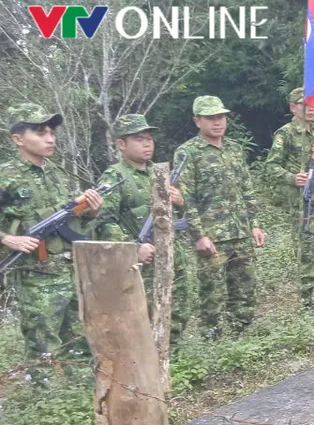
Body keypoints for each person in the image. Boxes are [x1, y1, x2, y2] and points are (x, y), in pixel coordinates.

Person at [0, 103, 104, 382]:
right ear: (18, 138)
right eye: (39, 132)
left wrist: (91, 210)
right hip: (36, 275)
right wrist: (7, 238)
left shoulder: (59, 173)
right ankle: (42, 399)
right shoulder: (6, 176)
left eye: (51, 132)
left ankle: (82, 394)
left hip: (70, 269)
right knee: (41, 344)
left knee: (79, 338)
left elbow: (75, 223)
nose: (50, 138)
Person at [175, 96, 266, 340]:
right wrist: (199, 235)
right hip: (212, 238)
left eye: (221, 117)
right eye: (211, 118)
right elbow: (186, 199)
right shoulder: (187, 153)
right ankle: (212, 344)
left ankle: (241, 338)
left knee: (245, 291)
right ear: (197, 121)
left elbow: (247, 188)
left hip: (240, 232)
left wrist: (255, 224)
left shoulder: (234, 149)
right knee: (212, 296)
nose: (218, 122)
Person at [95, 114, 192, 343]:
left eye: (149, 138)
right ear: (121, 144)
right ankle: (148, 369)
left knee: (179, 310)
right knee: (144, 317)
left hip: (170, 254)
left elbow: (184, 214)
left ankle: (172, 361)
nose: (147, 143)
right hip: (140, 263)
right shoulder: (115, 176)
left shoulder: (159, 172)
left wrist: (180, 201)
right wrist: (133, 248)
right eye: (139, 139)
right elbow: (103, 221)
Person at [261, 87, 314, 314]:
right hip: (302, 204)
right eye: (304, 104)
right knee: (308, 252)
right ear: (293, 107)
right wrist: (292, 178)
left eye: (313, 103)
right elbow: (270, 167)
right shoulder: (285, 134)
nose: (311, 108)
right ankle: (307, 304)